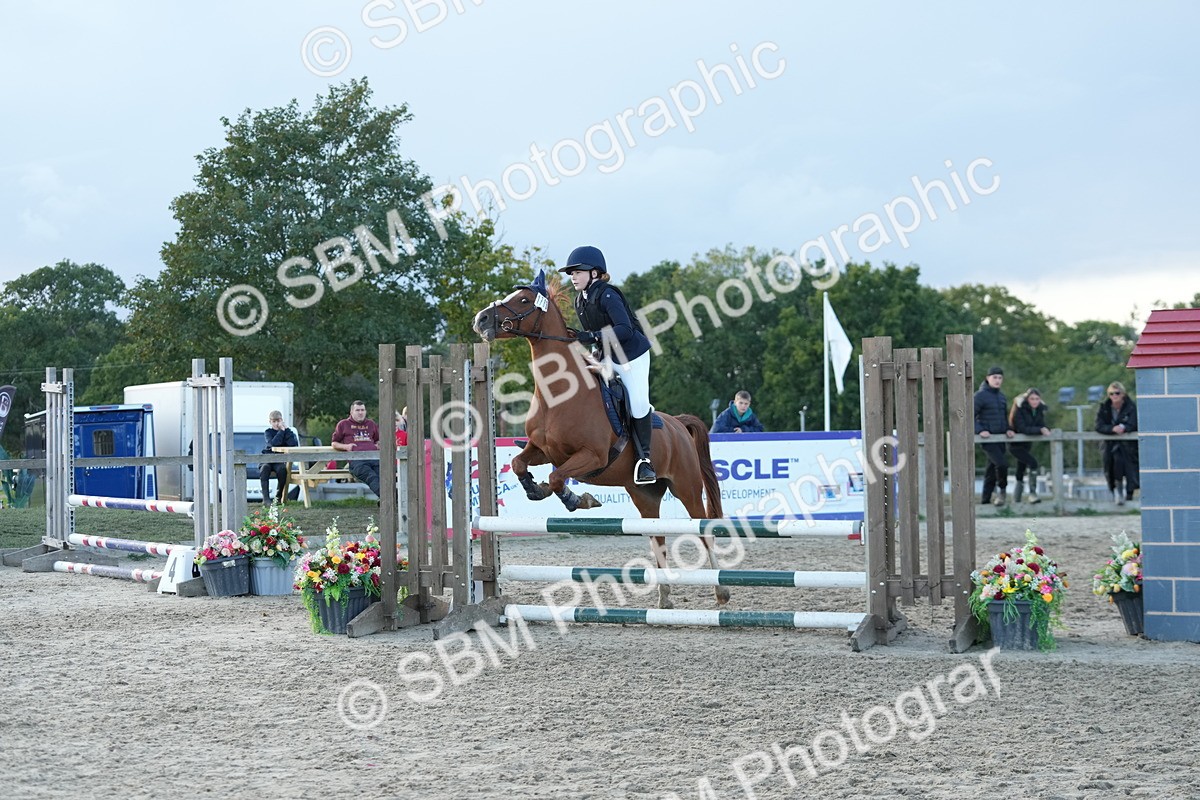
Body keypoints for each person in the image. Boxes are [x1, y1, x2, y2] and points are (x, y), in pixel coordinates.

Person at [558, 245, 657, 485]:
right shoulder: (579, 301)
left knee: (638, 402)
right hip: (606, 354)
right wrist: (591, 350)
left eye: (578, 272)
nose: (573, 277)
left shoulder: (608, 295)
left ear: (594, 273)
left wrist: (590, 336)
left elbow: (624, 329)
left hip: (631, 357)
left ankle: (645, 461)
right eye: (571, 273)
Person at [974, 366, 1014, 506]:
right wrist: (979, 430)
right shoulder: (979, 396)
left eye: (1000, 378)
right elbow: (969, 416)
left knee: (991, 470)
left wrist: (1009, 429)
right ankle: (1002, 492)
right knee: (1002, 465)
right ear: (987, 378)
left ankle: (985, 502)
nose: (997, 380)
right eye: (994, 377)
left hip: (1000, 438)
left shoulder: (1002, 397)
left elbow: (1003, 417)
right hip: (988, 439)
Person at [1095, 380, 1139, 505]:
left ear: (1123, 394)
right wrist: (1112, 429)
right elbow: (1098, 426)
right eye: (1111, 394)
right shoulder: (1104, 407)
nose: (1114, 396)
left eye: (1117, 393)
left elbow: (1134, 423)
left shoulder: (1131, 407)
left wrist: (1124, 428)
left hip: (1128, 446)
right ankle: (1117, 493)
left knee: (1130, 470)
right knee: (1112, 467)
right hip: (1109, 445)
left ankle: (1128, 494)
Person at [1008, 388, 1050, 504]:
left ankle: (1016, 500)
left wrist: (1044, 429)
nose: (1035, 401)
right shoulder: (1019, 409)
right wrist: (1040, 430)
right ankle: (1032, 493)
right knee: (1033, 463)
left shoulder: (1039, 410)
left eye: (1037, 399)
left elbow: (1041, 424)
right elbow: (1022, 428)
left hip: (1027, 444)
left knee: (1020, 469)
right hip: (1015, 444)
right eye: (1032, 399)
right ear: (1027, 399)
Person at [331, 400, 381, 498]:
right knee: (372, 477)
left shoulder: (371, 424)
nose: (360, 412)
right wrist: (346, 447)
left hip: (374, 458)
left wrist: (378, 445)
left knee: (386, 477)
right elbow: (334, 443)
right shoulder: (343, 424)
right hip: (357, 461)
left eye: (362, 410)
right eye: (357, 410)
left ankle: (388, 500)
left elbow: (378, 440)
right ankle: (391, 499)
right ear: (351, 412)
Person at [260, 410, 298, 504]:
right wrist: (281, 432)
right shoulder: (268, 432)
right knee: (265, 468)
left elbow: (293, 445)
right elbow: (273, 444)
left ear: (282, 420)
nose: (277, 423)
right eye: (274, 421)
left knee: (282, 470)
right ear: (270, 422)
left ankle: (278, 496)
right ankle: (266, 498)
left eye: (278, 421)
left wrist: (285, 431)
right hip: (267, 459)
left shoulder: (288, 432)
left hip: (280, 460)